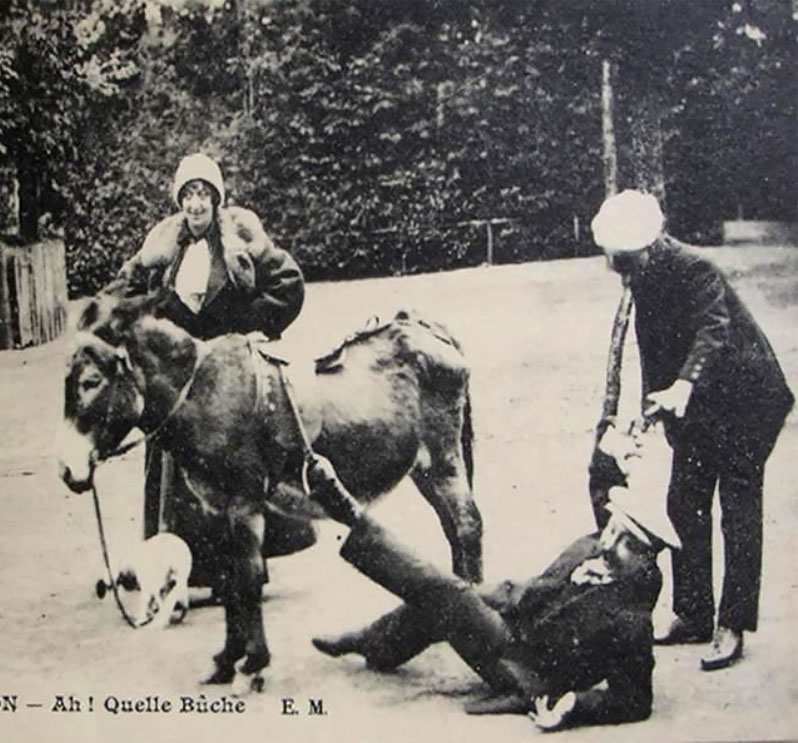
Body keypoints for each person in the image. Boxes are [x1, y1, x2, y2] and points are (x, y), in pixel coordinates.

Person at [308, 421, 680, 731]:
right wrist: (611, 445)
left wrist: (573, 708)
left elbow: (633, 700)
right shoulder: (601, 545)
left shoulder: (633, 619)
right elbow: (599, 488)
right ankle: (376, 645)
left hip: (522, 667)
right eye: (612, 527)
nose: (608, 540)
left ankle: (354, 519)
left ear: (645, 556)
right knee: (445, 601)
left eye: (624, 540)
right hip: (513, 615)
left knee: (448, 593)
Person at [590, 190, 794, 671]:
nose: (619, 272)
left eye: (624, 262)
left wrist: (683, 385)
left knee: (738, 508)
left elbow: (714, 331)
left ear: (649, 246)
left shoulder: (695, 268)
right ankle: (694, 613)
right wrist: (648, 409)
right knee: (684, 502)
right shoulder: (642, 277)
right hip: (699, 406)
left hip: (749, 401)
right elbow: (652, 348)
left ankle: (733, 623)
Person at [115, 153, 313, 588]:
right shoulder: (162, 246)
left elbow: (290, 285)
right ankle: (167, 565)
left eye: (204, 194)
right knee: (171, 470)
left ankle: (238, 569)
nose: (196, 205)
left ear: (217, 199)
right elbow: (121, 289)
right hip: (177, 380)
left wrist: (249, 324)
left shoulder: (241, 238)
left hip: (226, 379)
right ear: (179, 202)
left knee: (232, 470)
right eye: (188, 195)